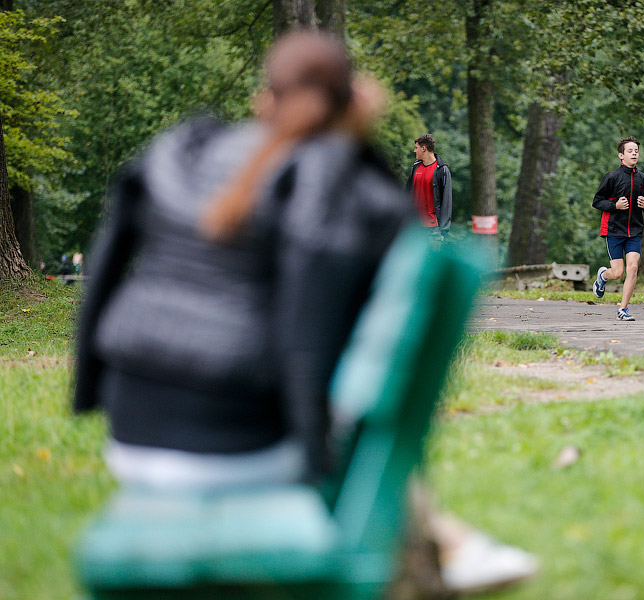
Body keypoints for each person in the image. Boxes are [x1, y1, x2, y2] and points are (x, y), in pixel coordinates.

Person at [73, 31, 534, 595]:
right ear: (354, 102)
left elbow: (107, 277)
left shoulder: (184, 150)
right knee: (350, 425)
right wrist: (355, 141)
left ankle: (445, 552)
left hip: (132, 437)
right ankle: (447, 549)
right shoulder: (338, 185)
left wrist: (87, 391)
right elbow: (349, 305)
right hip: (241, 452)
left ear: (263, 100)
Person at [590, 135, 644, 321]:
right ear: (621, 155)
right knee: (618, 273)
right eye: (630, 151)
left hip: (635, 231)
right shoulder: (612, 177)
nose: (634, 153)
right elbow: (597, 201)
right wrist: (615, 206)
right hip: (614, 230)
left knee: (633, 268)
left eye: (636, 151)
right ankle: (603, 275)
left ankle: (623, 309)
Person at [405, 133, 452, 243]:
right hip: (414, 228)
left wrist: (443, 230)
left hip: (434, 229)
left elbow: (446, 200)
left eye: (416, 148)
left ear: (424, 148)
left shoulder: (442, 170)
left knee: (432, 259)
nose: (414, 151)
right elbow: (406, 194)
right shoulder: (415, 167)